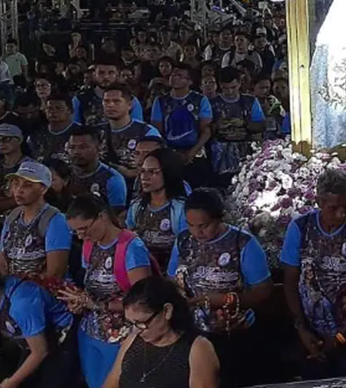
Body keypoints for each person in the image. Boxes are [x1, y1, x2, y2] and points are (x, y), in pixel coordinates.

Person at [167, 189, 273, 388]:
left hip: (233, 335)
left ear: (220, 218)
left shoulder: (242, 243)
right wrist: (179, 294)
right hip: (192, 332)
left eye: (204, 226)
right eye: (190, 225)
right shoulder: (183, 240)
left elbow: (263, 290)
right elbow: (172, 277)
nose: (197, 232)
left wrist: (225, 300)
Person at [281, 169, 346, 379]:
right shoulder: (300, 227)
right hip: (310, 331)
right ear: (319, 202)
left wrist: (342, 335)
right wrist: (301, 329)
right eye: (333, 208)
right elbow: (290, 281)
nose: (341, 214)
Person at [61, 195, 154, 388]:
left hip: (121, 336)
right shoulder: (89, 245)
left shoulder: (131, 248)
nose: (81, 236)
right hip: (91, 331)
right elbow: (90, 285)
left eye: (84, 228)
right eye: (76, 231)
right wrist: (79, 301)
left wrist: (97, 305)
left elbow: (143, 301)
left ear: (102, 217)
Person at [101, 276, 220, 388]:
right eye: (132, 323)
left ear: (167, 311)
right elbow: (111, 384)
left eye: (141, 322)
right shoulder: (133, 340)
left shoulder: (197, 348)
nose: (137, 330)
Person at [0, 261, 79, 388]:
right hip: (32, 338)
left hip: (60, 339)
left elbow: (40, 351)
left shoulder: (21, 303)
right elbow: (4, 318)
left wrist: (11, 382)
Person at [0, 161, 71, 279]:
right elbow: (0, 263)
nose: (19, 190)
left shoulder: (55, 220)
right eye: (16, 184)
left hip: (40, 288)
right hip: (11, 286)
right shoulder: (12, 216)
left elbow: (55, 273)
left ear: (43, 189)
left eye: (27, 185)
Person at [126, 149, 188, 269]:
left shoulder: (180, 208)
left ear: (168, 173)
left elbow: (183, 247)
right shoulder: (137, 206)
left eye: (152, 172)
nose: (144, 177)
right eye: (142, 171)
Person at [68, 125, 128, 216]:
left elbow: (116, 216)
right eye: (72, 147)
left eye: (83, 147)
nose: (76, 152)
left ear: (98, 148)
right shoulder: (63, 173)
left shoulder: (112, 179)